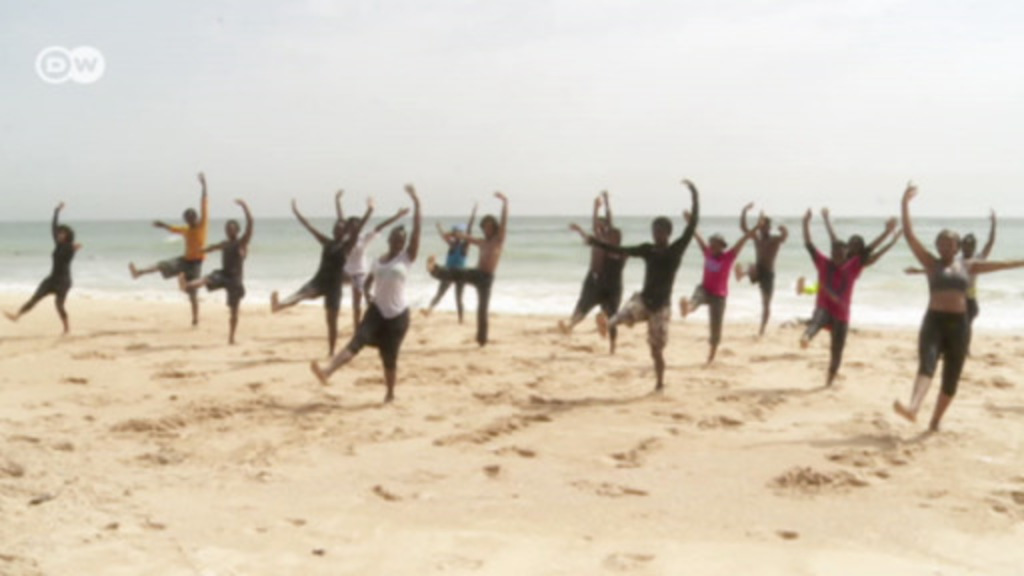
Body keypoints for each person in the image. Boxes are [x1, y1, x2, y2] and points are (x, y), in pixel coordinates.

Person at [893, 184, 1024, 431]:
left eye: (949, 244)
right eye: (941, 243)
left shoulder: (969, 265)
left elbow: (1003, 264)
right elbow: (910, 235)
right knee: (927, 363)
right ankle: (913, 408)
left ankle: (935, 420)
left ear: (957, 246)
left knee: (951, 377)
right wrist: (904, 205)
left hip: (959, 325)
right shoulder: (930, 263)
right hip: (934, 321)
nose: (945, 247)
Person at [581, 179, 699, 391]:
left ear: (668, 233)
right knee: (623, 315)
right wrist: (595, 242)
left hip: (661, 308)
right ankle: (606, 324)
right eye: (654, 230)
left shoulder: (676, 249)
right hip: (644, 300)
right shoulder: (647, 249)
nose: (656, 234)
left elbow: (692, 227)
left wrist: (694, 195)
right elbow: (621, 249)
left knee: (656, 351)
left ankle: (660, 384)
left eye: (660, 231)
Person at [312, 184, 421, 402]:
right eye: (396, 239)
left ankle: (390, 393)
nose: (399, 242)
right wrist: (368, 294)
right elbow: (369, 280)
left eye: (402, 240)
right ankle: (327, 372)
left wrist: (417, 203)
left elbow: (417, 230)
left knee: (389, 357)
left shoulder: (406, 258)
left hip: (398, 316)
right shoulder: (378, 260)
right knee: (357, 340)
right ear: (390, 239)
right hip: (376, 311)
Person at [272, 198, 403, 355]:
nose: (337, 229)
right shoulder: (326, 241)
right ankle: (279, 305)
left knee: (332, 321)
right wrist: (296, 212)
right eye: (336, 227)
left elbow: (360, 227)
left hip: (337, 285)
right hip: (321, 280)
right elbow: (309, 227)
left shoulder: (349, 244)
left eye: (340, 228)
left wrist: (369, 210)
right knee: (301, 294)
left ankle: (332, 351)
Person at [800, 209, 900, 386]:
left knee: (837, 350)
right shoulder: (827, 261)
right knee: (819, 316)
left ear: (850, 251)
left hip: (842, 312)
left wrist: (889, 235)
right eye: (835, 251)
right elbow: (815, 243)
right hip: (825, 305)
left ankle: (829, 382)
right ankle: (807, 336)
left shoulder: (855, 265)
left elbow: (872, 249)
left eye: (845, 249)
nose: (839, 253)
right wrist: (813, 221)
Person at [904, 210, 996, 355]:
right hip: (957, 298)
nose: (968, 246)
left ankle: (964, 348)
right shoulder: (956, 260)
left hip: (970, 298)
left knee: (966, 325)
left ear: (974, 246)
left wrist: (994, 223)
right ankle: (952, 348)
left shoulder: (978, 259)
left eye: (971, 244)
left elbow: (990, 243)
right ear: (961, 246)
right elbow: (939, 271)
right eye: (965, 244)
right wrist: (918, 271)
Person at [426, 192, 509, 347]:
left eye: (490, 227)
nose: (487, 229)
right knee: (459, 272)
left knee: (482, 310)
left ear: (495, 228)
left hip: (487, 279)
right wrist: (453, 233)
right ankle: (435, 270)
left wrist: (505, 203)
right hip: (478, 274)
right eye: (485, 227)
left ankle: (482, 340)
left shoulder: (498, 241)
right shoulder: (482, 242)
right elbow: (466, 237)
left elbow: (504, 223)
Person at [679, 213, 763, 364]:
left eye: (715, 243)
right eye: (711, 242)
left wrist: (756, 227)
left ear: (722, 246)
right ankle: (688, 308)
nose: (712, 245)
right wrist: (690, 222)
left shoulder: (729, 257)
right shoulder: (707, 253)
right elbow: (697, 236)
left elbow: (743, 240)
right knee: (696, 297)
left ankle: (711, 356)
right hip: (705, 289)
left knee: (716, 327)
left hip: (719, 296)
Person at [129, 172, 210, 326]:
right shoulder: (186, 230)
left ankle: (195, 320)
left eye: (191, 217)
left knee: (193, 295)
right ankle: (139, 272)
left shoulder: (202, 225)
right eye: (187, 219)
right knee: (162, 265)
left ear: (196, 217)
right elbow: (174, 229)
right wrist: (163, 225)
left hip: (196, 264)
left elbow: (204, 204)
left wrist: (204, 186)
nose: (190, 220)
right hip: (184, 260)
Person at [179, 199, 253, 345]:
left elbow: (250, 225)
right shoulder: (225, 243)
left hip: (235, 280)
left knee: (234, 312)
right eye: (227, 228)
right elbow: (213, 248)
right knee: (207, 278)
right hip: (223, 274)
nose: (229, 230)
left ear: (237, 230)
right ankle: (187, 286)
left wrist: (245, 207)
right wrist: (202, 250)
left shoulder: (241, 242)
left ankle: (231, 338)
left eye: (231, 228)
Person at [560, 190, 626, 354]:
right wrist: (595, 208)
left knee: (611, 314)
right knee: (584, 303)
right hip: (595, 279)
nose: (600, 226)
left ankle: (612, 346)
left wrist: (606, 203)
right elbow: (594, 225)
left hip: (610, 284)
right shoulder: (598, 237)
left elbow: (609, 223)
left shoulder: (615, 245)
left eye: (603, 225)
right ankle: (572, 324)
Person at [5, 202, 81, 334]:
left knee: (59, 306)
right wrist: (56, 211)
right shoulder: (58, 245)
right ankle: (17, 315)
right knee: (35, 298)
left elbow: (71, 252)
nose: (59, 234)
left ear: (67, 236)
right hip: (51, 279)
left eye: (62, 233)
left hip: (63, 282)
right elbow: (53, 227)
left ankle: (66, 328)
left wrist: (74, 249)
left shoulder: (69, 248)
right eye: (59, 233)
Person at [733, 203, 788, 337]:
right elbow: (743, 228)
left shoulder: (773, 240)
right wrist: (744, 211)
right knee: (752, 265)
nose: (763, 229)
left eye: (765, 227)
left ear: (769, 228)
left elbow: (784, 238)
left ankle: (762, 329)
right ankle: (742, 274)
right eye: (761, 226)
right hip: (757, 271)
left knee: (766, 304)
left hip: (768, 274)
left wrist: (784, 230)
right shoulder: (756, 238)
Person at [421, 204, 477, 322]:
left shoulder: (464, 246)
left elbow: (469, 230)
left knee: (458, 298)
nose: (455, 235)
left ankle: (461, 319)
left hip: (461, 274)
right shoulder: (452, 244)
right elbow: (444, 237)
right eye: (454, 233)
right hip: (448, 272)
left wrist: (473, 214)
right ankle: (429, 310)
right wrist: (439, 227)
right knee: (440, 293)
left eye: (457, 233)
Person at [338, 191, 375, 330]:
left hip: (359, 273)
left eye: (356, 225)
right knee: (326, 281)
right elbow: (341, 219)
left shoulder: (363, 238)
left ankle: (358, 327)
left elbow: (368, 225)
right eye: (351, 225)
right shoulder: (345, 238)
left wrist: (370, 210)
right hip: (346, 273)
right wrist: (338, 202)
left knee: (357, 304)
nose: (353, 227)